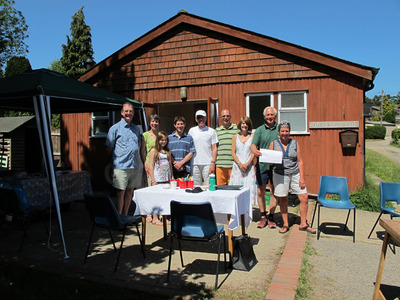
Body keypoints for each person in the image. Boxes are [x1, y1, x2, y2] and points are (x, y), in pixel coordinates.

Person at [270, 121, 316, 234]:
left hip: (295, 174)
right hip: (280, 174)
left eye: (286, 131)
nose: (284, 133)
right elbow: (270, 161)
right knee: (283, 199)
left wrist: (302, 178)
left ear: (289, 132)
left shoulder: (295, 143)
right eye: (282, 131)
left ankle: (304, 223)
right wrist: (269, 160)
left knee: (304, 197)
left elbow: (300, 161)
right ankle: (285, 224)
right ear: (279, 132)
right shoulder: (274, 144)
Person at [105, 102, 144, 215]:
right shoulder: (115, 128)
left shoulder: (136, 129)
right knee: (120, 192)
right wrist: (115, 161)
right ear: (122, 113)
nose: (128, 113)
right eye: (126, 111)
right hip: (121, 166)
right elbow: (108, 148)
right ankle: (119, 217)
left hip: (134, 165)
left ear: (133, 113)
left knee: (130, 191)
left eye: (130, 111)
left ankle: (125, 215)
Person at [250, 106, 279, 229]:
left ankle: (271, 217)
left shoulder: (280, 128)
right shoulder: (260, 130)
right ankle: (263, 216)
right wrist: (254, 151)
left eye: (272, 115)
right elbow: (253, 145)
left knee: (274, 191)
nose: (270, 117)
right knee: (260, 191)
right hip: (262, 165)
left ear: (275, 116)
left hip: (277, 166)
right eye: (268, 115)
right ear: (264, 117)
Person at [229, 116, 257, 204]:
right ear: (240, 125)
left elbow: (254, 152)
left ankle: (248, 214)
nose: (244, 125)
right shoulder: (235, 137)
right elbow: (233, 152)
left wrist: (247, 164)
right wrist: (240, 164)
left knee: (248, 189)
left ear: (249, 125)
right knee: (236, 191)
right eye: (242, 123)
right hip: (238, 168)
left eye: (246, 124)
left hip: (249, 168)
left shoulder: (253, 136)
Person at [148, 131, 173, 225]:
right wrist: (153, 180)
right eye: (162, 140)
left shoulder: (167, 151)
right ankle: (155, 218)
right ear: (158, 140)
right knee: (156, 198)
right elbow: (151, 166)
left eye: (165, 140)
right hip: (157, 178)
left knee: (164, 198)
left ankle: (164, 217)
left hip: (166, 178)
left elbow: (170, 164)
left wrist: (172, 176)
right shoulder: (154, 150)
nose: (163, 142)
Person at [188, 110, 218, 186]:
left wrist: (213, 163)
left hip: (208, 163)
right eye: (199, 118)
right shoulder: (191, 131)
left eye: (203, 117)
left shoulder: (212, 131)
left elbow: (214, 148)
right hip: (194, 163)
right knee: (195, 187)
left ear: (206, 118)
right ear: (196, 119)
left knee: (209, 186)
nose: (201, 120)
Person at [215, 109, 239, 185]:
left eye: (227, 116)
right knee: (221, 190)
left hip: (233, 164)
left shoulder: (237, 129)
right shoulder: (217, 131)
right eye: (224, 116)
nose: (226, 118)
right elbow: (214, 147)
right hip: (220, 165)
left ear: (230, 117)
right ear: (220, 118)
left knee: (233, 188)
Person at [142, 114, 160, 186]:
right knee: (151, 183)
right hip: (150, 163)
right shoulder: (145, 135)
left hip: (160, 163)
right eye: (152, 121)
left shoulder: (161, 135)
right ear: (149, 123)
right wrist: (145, 164)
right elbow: (142, 151)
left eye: (156, 121)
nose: (154, 123)